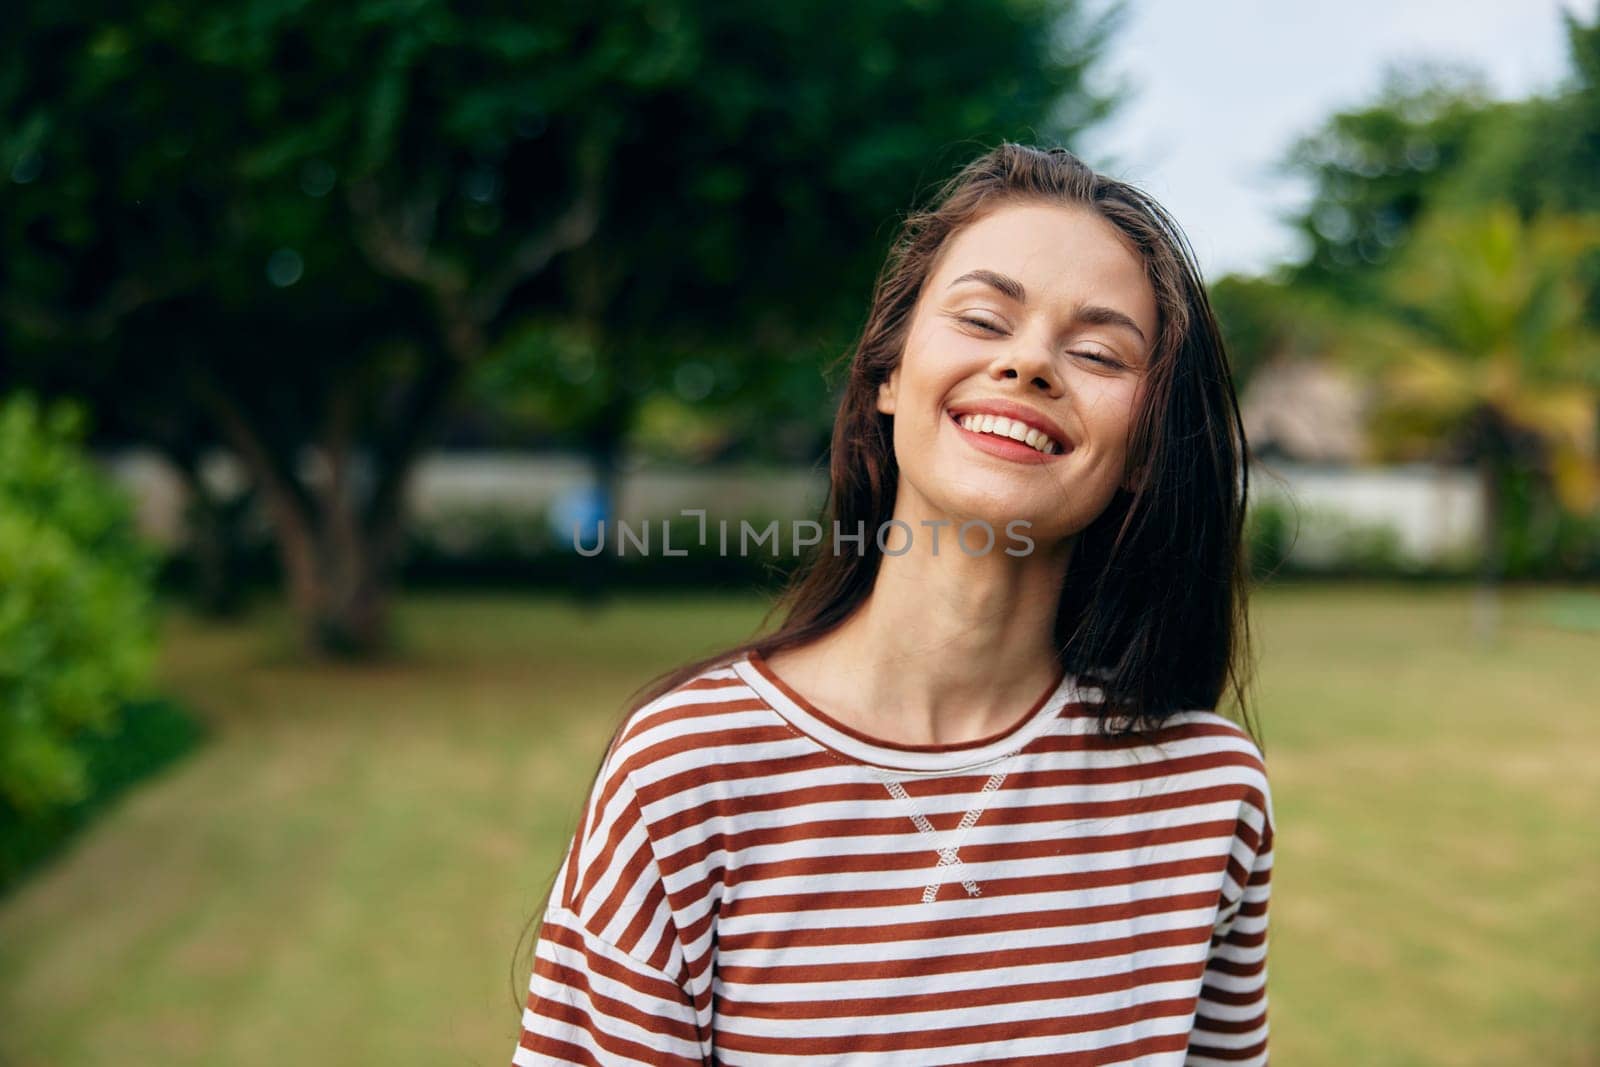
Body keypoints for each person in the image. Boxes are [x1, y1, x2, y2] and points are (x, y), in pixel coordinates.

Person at [511, 142, 1274, 1066]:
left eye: (1098, 351)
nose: (1030, 364)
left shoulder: (1207, 793)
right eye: (985, 318)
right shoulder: (687, 775)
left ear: (1147, 450)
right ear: (886, 374)